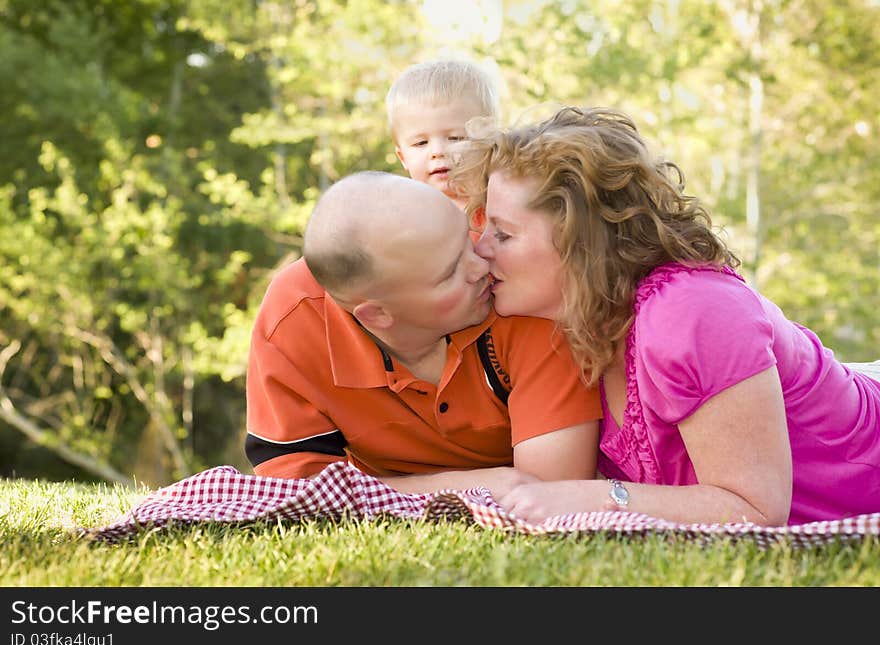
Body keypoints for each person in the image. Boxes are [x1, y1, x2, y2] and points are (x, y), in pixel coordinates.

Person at [450, 105, 880, 526]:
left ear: (581, 243)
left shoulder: (692, 312)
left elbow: (756, 509)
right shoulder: (570, 324)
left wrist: (596, 498)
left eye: (503, 233)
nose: (481, 247)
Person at [244, 171, 602, 496]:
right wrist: (463, 486)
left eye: (467, 239)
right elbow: (292, 491)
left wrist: (374, 491)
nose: (482, 265)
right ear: (378, 314)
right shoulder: (293, 320)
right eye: (449, 274)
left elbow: (550, 493)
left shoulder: (517, 292)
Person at [386, 59, 499, 212]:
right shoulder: (405, 219)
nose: (438, 151)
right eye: (421, 143)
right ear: (403, 157)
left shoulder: (504, 206)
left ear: (489, 142)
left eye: (456, 138)